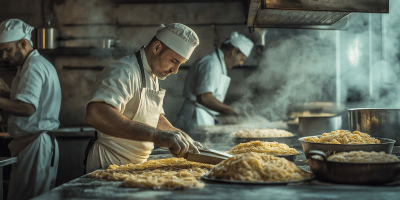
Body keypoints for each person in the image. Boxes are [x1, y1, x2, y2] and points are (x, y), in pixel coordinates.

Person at [84, 23, 202, 173]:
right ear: (157, 47)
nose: (175, 70)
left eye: (180, 64)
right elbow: (96, 114)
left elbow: (153, 116)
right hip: (108, 163)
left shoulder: (152, 75)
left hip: (134, 165)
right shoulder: (125, 71)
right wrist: (157, 135)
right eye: (174, 61)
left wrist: (176, 134)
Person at [0, 19, 62, 200]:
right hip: (33, 144)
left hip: (36, 145)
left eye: (7, 50)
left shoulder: (33, 67)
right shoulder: (32, 64)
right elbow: (35, 102)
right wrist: (7, 92)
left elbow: (27, 108)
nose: (4, 56)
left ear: (23, 44)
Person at [175, 31, 254, 135]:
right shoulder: (211, 63)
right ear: (234, 51)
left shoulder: (217, 63)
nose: (241, 63)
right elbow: (204, 97)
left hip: (202, 116)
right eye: (242, 59)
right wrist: (233, 111)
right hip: (196, 117)